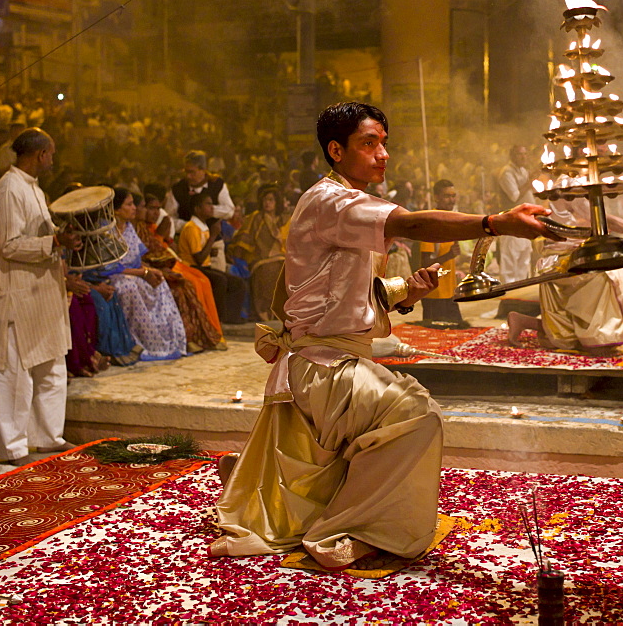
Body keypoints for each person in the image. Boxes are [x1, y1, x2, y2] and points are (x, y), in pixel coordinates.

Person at [210, 101, 559, 570]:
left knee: (400, 410)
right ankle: (353, 527)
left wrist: (402, 291)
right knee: (416, 415)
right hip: (323, 368)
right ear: (336, 150)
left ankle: (282, 491)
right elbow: (410, 223)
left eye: (384, 144)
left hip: (333, 358)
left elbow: (336, 295)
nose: (382, 155)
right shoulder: (331, 200)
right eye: (368, 143)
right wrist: (494, 223)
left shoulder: (342, 199)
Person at [0, 127, 79, 465]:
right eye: (51, 154)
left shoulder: (33, 189)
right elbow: (8, 245)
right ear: (40, 154)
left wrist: (62, 237)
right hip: (17, 294)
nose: (53, 160)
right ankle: (13, 446)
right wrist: (54, 243)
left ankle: (47, 437)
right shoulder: (9, 189)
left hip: (41, 293)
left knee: (51, 366)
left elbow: (39, 235)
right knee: (15, 373)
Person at [507, 196, 623, 352]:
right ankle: (597, 338)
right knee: (606, 275)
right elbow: (604, 221)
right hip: (562, 260)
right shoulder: (569, 186)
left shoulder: (578, 181)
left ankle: (525, 321)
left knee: (608, 273)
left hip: (576, 255)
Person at [132, 194, 224, 352]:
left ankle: (203, 335)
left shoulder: (144, 227)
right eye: (149, 208)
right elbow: (148, 254)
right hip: (148, 269)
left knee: (199, 282)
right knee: (187, 285)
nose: (154, 212)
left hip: (163, 266)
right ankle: (189, 338)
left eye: (157, 208)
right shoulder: (136, 228)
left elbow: (163, 250)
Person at [104, 188, 187, 361]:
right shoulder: (107, 231)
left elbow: (135, 259)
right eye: (129, 204)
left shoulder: (128, 228)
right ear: (116, 209)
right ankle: (137, 342)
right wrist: (144, 272)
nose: (134, 208)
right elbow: (111, 266)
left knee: (160, 280)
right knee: (129, 287)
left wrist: (151, 271)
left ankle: (166, 341)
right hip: (114, 275)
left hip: (133, 273)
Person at [175, 191, 248, 325]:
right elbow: (199, 259)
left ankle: (231, 318)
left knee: (238, 283)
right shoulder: (192, 227)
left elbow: (203, 252)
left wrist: (211, 250)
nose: (212, 207)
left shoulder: (203, 226)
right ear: (197, 209)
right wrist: (214, 236)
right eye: (208, 204)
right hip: (191, 268)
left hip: (204, 266)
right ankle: (216, 320)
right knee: (220, 280)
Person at [227, 184, 287, 321]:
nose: (267, 203)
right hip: (260, 259)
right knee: (269, 271)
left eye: (271, 200)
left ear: (277, 202)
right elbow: (244, 238)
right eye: (265, 200)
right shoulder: (255, 218)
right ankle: (266, 312)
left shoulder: (284, 220)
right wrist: (235, 255)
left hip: (282, 257)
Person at [418, 179, 463, 324]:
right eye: (447, 196)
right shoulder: (431, 222)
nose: (452, 200)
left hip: (450, 293)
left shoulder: (450, 220)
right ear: (436, 197)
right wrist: (449, 255)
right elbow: (425, 263)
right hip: (434, 296)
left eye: (453, 195)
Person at [165, 150, 235, 227]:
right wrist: (190, 226)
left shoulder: (216, 184)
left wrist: (209, 210)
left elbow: (229, 210)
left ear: (203, 170)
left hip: (213, 234)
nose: (188, 176)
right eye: (186, 172)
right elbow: (169, 218)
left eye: (192, 172)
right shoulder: (178, 189)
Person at [496, 144, 533, 283]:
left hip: (526, 221)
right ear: (512, 156)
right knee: (510, 261)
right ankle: (509, 295)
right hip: (511, 222)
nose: (523, 157)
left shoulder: (523, 171)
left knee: (524, 259)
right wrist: (529, 182)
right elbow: (514, 196)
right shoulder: (507, 172)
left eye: (525, 154)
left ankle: (521, 291)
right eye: (519, 154)